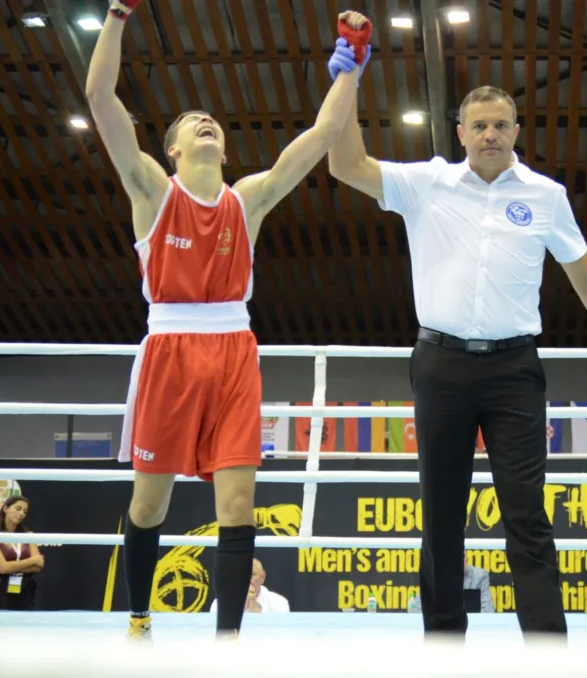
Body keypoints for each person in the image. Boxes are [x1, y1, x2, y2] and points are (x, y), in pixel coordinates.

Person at [86, 1, 371, 639]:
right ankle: (139, 622)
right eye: (193, 122)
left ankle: (229, 640)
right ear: (173, 149)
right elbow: (100, 97)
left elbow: (322, 136)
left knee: (239, 504)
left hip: (235, 351)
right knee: (148, 505)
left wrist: (351, 66)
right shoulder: (152, 190)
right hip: (170, 350)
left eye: (211, 120)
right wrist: (117, 13)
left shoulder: (248, 200)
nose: (206, 121)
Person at [327, 84, 587, 639]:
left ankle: (547, 652)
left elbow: (583, 271)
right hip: (440, 364)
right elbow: (344, 165)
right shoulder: (427, 183)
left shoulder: (546, 195)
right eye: (479, 126)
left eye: (500, 124)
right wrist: (349, 81)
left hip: (514, 371)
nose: (490, 135)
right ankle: (443, 650)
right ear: (461, 134)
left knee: (526, 514)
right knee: (441, 516)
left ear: (517, 130)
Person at [0, 495, 44, 611]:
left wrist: (8, 567)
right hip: (0, 590)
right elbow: (3, 568)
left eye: (25, 511)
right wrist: (32, 560)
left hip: (25, 589)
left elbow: (38, 565)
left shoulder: (29, 536)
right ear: (5, 509)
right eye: (18, 509)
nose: (21, 513)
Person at [210, 558, 290, 614]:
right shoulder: (219, 603)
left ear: (262, 577)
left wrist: (254, 610)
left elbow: (280, 633)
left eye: (251, 574)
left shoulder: (279, 603)